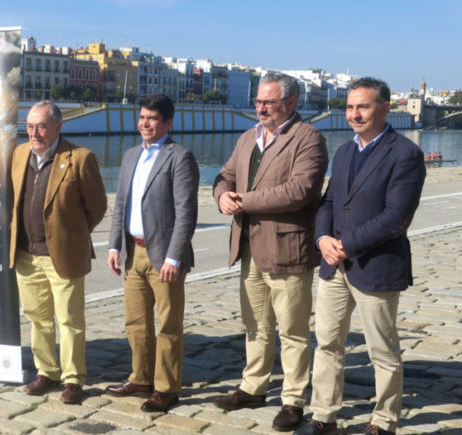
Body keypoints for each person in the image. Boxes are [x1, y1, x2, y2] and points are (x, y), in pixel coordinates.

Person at [295, 77, 426, 435]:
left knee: (382, 350)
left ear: (385, 108)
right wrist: (322, 238)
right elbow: (329, 202)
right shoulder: (345, 151)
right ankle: (323, 416)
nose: (354, 114)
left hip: (375, 265)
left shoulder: (405, 154)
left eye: (363, 107)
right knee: (328, 343)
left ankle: (383, 421)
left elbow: (395, 217)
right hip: (333, 265)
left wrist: (345, 244)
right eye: (350, 107)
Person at [212, 72, 328, 432]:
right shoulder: (249, 137)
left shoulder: (308, 138)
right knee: (255, 324)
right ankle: (253, 385)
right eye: (258, 101)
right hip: (249, 247)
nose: (260, 108)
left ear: (290, 103)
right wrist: (221, 197)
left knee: (292, 330)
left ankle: (293, 399)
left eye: (269, 102)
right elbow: (225, 175)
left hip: (287, 249)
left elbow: (301, 190)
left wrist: (242, 201)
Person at [106, 94, 199, 413]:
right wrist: (114, 245)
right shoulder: (131, 155)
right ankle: (141, 377)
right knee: (135, 322)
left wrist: (174, 257)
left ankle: (166, 387)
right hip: (133, 251)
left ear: (168, 123)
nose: (145, 123)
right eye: (142, 117)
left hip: (164, 255)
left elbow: (186, 212)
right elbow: (121, 205)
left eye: (152, 118)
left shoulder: (180, 157)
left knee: (169, 324)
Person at [10, 100, 107, 405]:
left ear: (58, 127)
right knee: (38, 318)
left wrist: (71, 235)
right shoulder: (19, 153)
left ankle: (73, 379)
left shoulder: (80, 158)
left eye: (41, 126)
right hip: (27, 253)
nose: (34, 132)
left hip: (62, 254)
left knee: (69, 320)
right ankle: (46, 371)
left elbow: (98, 207)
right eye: (29, 126)